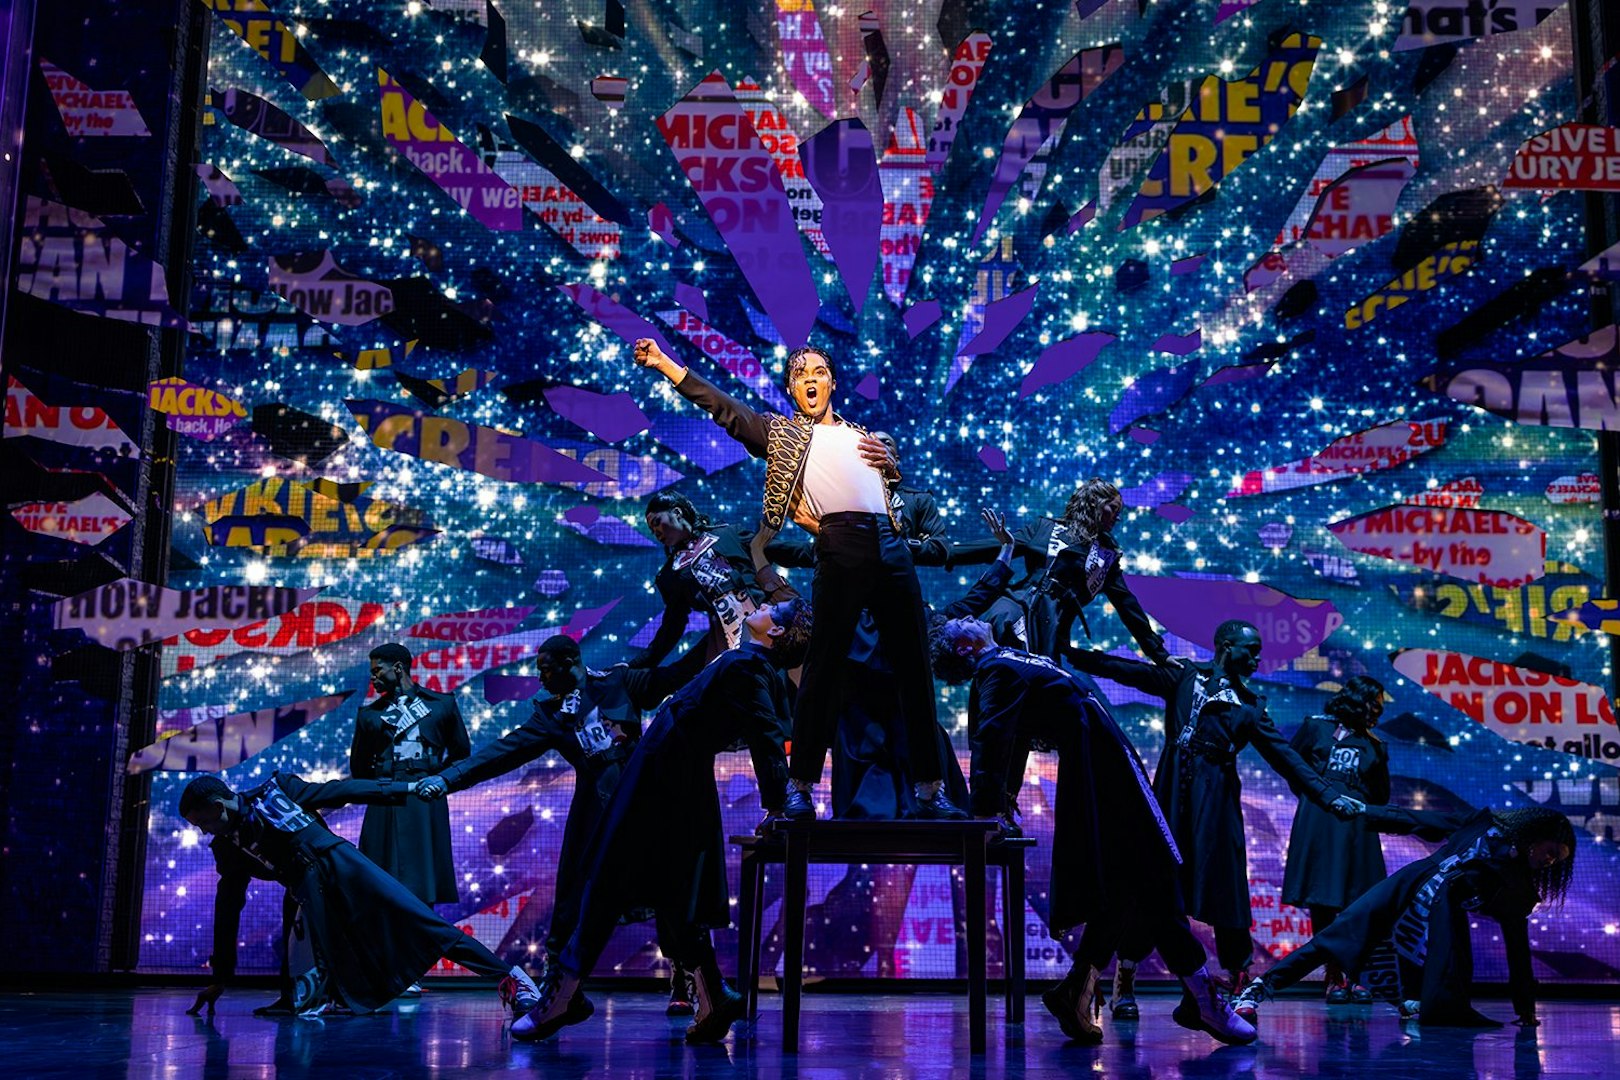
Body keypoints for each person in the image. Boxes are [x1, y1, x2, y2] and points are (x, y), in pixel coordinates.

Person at [930, 615, 1343, 1046]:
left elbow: (1009, 732)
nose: (966, 616)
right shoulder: (996, 670)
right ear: (964, 648)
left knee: (1133, 885)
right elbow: (993, 738)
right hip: (1103, 776)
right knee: (1156, 878)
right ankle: (1199, 996)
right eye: (960, 623)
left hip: (1115, 768)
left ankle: (1080, 986)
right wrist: (988, 811)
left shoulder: (1007, 656)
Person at [633, 337, 963, 820]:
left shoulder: (859, 434)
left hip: (890, 545)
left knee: (913, 665)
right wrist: (665, 363)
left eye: (818, 371)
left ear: (831, 381)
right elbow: (727, 410)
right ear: (791, 389)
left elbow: (885, 487)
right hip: (841, 539)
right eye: (800, 374)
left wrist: (889, 470)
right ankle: (801, 787)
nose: (810, 378)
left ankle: (932, 791)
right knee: (824, 665)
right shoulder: (784, 434)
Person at [511, 595, 813, 1043]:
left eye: (775, 609)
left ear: (777, 632)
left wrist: (778, 801)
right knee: (670, 894)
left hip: (663, 784)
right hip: (667, 781)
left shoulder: (748, 667)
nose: (764, 604)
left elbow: (765, 736)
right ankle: (712, 996)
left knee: (607, 881)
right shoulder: (743, 662)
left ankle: (563, 994)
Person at [1063, 619, 1357, 1012]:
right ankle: (1126, 976)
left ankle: (1237, 983)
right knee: (1152, 885)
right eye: (1249, 649)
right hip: (1170, 797)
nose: (1256, 657)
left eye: (1257, 651)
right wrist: (1070, 655)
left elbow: (1287, 760)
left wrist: (1327, 796)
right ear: (1224, 646)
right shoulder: (1186, 677)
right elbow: (1126, 671)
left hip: (1216, 804)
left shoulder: (1251, 707)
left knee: (1225, 888)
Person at [413, 634, 666, 991]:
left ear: (569, 662)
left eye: (546, 669)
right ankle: (557, 979)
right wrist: (448, 778)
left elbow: (664, 659)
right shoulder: (551, 715)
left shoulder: (616, 681)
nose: (541, 678)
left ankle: (689, 978)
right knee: (572, 891)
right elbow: (503, 752)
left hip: (641, 801)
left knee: (668, 885)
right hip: (593, 807)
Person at [178, 771, 540, 1018]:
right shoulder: (227, 847)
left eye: (204, 822)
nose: (206, 830)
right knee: (309, 954)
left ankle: (513, 978)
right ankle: (308, 1000)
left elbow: (341, 790)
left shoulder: (277, 790)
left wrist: (407, 790)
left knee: (424, 923)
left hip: (344, 867)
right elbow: (228, 906)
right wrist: (220, 977)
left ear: (217, 806)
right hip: (306, 891)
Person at [1235, 804, 1576, 1028]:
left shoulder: (1517, 888)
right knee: (1336, 935)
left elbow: (1517, 948)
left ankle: (1411, 1001)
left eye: (1556, 862)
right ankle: (1257, 991)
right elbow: (1424, 820)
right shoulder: (1486, 825)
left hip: (1436, 920)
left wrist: (1525, 1008)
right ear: (1535, 837)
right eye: (1550, 853)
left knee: (1419, 972)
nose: (1550, 862)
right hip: (1408, 885)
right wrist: (1367, 812)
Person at [952, 479, 1169, 664]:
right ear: (1095, 503)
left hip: (1050, 624)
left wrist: (1159, 654)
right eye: (1113, 509)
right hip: (1015, 603)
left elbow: (1127, 606)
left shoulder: (1106, 557)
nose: (1117, 517)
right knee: (998, 638)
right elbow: (992, 546)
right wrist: (943, 551)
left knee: (1037, 684)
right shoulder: (1046, 528)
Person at [1280, 675, 1390, 1004]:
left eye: (1380, 708)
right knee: (1323, 897)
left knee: (1357, 901)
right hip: (1319, 823)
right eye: (1374, 704)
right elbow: (1292, 768)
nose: (1377, 712)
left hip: (1357, 829)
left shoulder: (1374, 745)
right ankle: (1334, 975)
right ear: (1358, 699)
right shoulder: (1315, 727)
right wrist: (1318, 803)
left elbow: (1381, 796)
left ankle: (1356, 974)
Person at [629, 490, 810, 681]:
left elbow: (782, 550)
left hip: (771, 624)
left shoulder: (727, 535)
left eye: (657, 522)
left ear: (677, 512)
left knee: (797, 684)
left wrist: (825, 550)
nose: (656, 532)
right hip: (729, 639)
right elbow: (671, 627)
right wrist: (639, 663)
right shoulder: (671, 575)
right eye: (651, 530)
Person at [349, 643, 470, 914]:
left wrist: (440, 780)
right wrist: (384, 785)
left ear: (398, 668)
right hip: (384, 803)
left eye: (377, 670)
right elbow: (359, 767)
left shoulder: (441, 705)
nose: (373, 677)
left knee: (423, 886)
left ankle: (421, 950)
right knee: (379, 884)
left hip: (425, 803)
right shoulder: (369, 715)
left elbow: (462, 754)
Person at [871, 430, 949, 566]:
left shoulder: (919, 500)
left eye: (886, 443)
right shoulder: (852, 495)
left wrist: (906, 545)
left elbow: (940, 550)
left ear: (897, 459)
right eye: (873, 442)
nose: (880, 446)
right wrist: (916, 544)